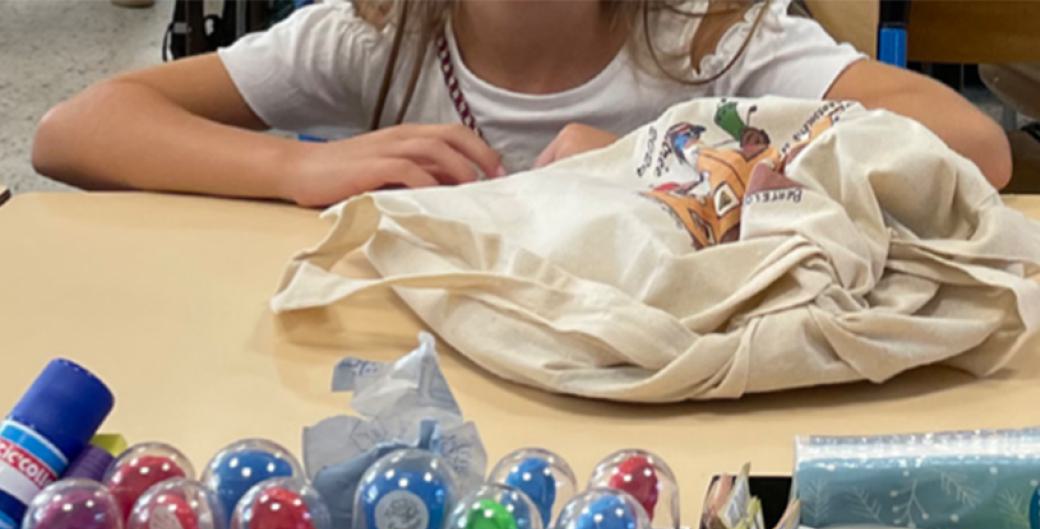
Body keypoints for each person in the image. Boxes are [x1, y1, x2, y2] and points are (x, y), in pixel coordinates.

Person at [32, 0, 1011, 208]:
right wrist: (295, 163)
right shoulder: (377, 34)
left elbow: (974, 144)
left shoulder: (706, 36)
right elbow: (72, 130)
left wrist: (661, 152)